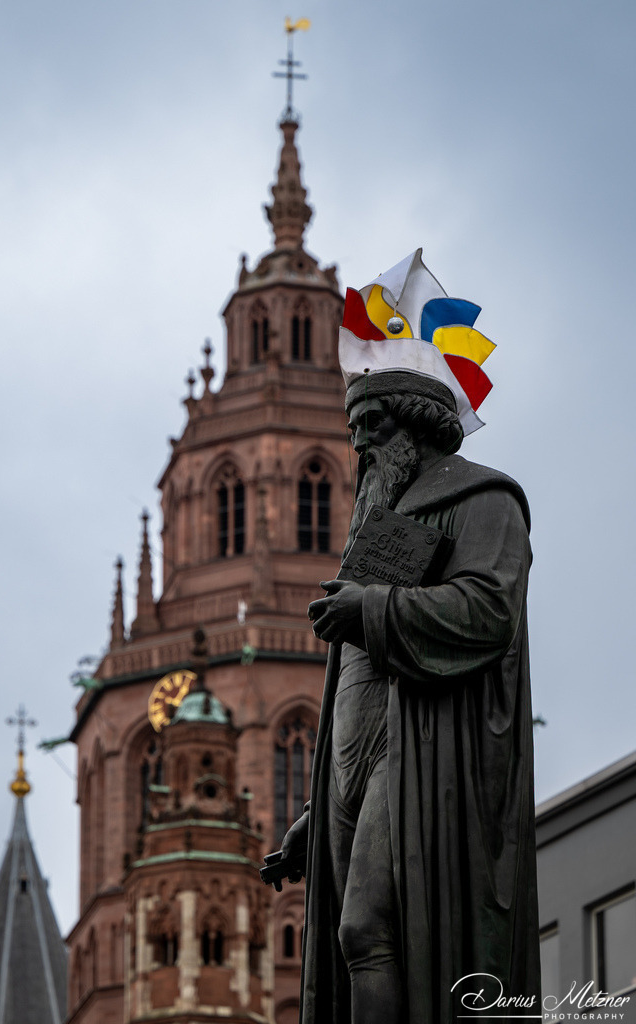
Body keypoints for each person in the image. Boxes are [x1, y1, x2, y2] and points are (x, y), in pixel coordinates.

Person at [275, 251, 540, 1024]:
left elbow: (488, 608)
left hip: (430, 756)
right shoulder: (379, 532)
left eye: (369, 430)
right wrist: (314, 810)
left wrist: (374, 609)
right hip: (362, 765)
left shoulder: (485, 501)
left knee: (369, 928)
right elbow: (356, 689)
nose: (358, 450)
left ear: (413, 428)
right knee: (356, 939)